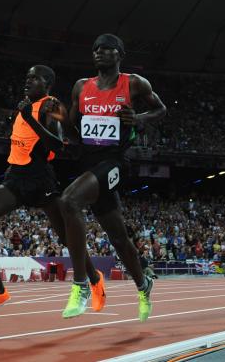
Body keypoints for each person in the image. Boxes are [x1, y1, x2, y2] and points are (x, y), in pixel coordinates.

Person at [0, 65, 105, 321]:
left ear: (47, 83)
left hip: (40, 180)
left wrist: (30, 118)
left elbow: (58, 145)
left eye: (35, 77)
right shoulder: (25, 105)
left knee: (66, 238)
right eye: (27, 76)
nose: (28, 80)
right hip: (15, 179)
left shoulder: (50, 105)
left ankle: (95, 280)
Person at [58, 34, 166, 321]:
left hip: (116, 161)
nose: (99, 53)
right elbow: (71, 128)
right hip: (89, 164)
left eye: (106, 49)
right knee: (119, 239)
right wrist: (62, 127)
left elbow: (160, 109)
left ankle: (82, 285)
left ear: (120, 54)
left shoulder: (133, 84)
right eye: (95, 50)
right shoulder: (81, 87)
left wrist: (139, 119)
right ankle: (144, 285)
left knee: (69, 200)